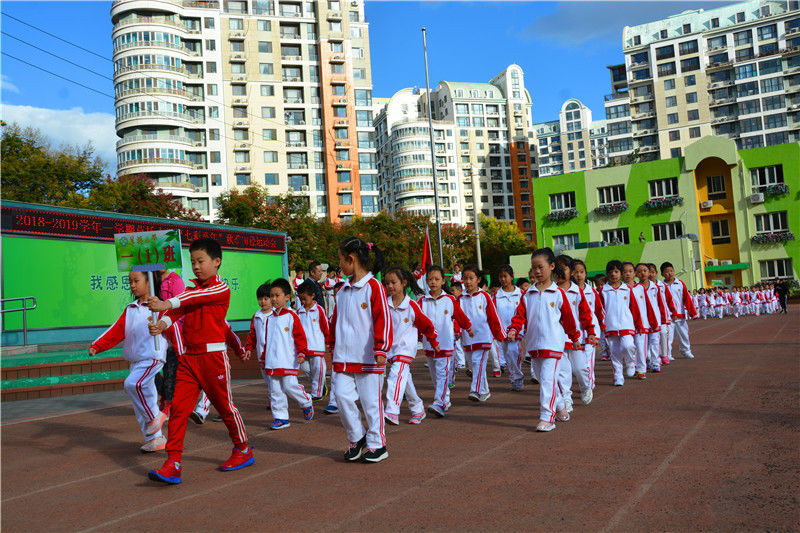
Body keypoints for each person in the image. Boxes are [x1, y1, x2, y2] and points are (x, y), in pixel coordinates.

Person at [146, 238, 252, 484]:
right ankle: (173, 463)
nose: (196, 266)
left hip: (213, 357)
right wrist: (160, 323)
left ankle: (243, 448)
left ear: (217, 262)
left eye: (201, 261)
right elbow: (176, 311)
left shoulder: (220, 289)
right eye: (192, 262)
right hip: (188, 359)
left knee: (225, 406)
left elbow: (186, 301)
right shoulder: (191, 290)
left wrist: (165, 303)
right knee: (179, 410)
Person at [90, 271, 178, 453]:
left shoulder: (159, 308)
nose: (132, 285)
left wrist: (180, 349)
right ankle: (156, 439)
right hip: (136, 362)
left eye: (136, 281)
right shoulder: (130, 309)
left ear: (149, 282)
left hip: (152, 358)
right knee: (144, 401)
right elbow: (116, 330)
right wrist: (97, 346)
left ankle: (157, 417)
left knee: (132, 384)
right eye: (130, 281)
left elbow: (173, 327)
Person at [328, 237, 392, 463]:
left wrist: (381, 349)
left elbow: (382, 318)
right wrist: (332, 342)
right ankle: (357, 436)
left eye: (340, 259)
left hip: (369, 357)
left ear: (350, 259)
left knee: (371, 403)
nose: (339, 265)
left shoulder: (374, 287)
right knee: (341, 396)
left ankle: (377, 444)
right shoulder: (343, 290)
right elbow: (336, 320)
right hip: (344, 358)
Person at [507, 248, 581, 432]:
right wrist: (514, 328)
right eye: (534, 268)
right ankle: (561, 405)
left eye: (540, 267)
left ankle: (547, 417)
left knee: (547, 380)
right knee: (544, 379)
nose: (537, 271)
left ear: (552, 266)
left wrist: (575, 338)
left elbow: (568, 320)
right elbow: (519, 316)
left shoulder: (558, 294)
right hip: (534, 345)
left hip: (553, 344)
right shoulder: (528, 294)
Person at [383, 267, 438, 425]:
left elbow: (427, 325)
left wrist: (434, 341)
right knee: (404, 378)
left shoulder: (412, 306)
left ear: (404, 283)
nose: (390, 286)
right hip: (390, 350)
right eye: (387, 283)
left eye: (394, 282)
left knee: (395, 376)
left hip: (406, 349)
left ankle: (392, 411)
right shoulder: (384, 305)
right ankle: (417, 407)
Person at [418, 265, 472, 417]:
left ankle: (439, 403)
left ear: (443, 281)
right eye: (430, 279)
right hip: (429, 344)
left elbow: (460, 316)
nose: (433, 282)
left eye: (436, 279)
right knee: (435, 375)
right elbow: (418, 321)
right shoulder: (422, 301)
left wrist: (468, 327)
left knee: (442, 374)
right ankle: (445, 399)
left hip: (445, 344)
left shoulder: (449, 299)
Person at [261, 278, 313, 430]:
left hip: (288, 360)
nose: (273, 299)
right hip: (272, 361)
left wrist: (302, 353)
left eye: (277, 295)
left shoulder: (292, 316)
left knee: (290, 386)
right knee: (275, 390)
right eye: (272, 296)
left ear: (287, 297)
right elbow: (267, 340)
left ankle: (306, 401)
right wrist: (264, 357)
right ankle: (281, 418)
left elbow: (300, 337)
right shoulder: (269, 319)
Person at [554, 255, 596, 412]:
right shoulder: (552, 291)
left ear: (571, 271)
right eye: (556, 269)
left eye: (563, 269)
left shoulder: (577, 291)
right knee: (563, 372)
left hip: (576, 338)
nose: (559, 272)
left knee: (579, 368)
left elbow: (585, 313)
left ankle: (586, 387)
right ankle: (566, 399)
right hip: (558, 338)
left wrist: (590, 331)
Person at [459, 264, 505, 402]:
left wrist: (499, 334)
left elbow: (493, 317)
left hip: (483, 336)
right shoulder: (460, 298)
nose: (468, 282)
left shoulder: (485, 296)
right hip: (468, 338)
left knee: (477, 362)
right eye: (465, 278)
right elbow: (457, 317)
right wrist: (456, 331)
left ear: (478, 279)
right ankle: (485, 391)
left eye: (471, 278)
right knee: (474, 365)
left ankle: (476, 389)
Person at [600, 260, 643, 386]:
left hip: (626, 325)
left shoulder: (627, 289)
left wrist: (638, 324)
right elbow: (600, 309)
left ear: (621, 274)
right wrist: (602, 324)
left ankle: (630, 362)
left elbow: (634, 308)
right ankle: (618, 376)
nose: (614, 274)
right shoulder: (603, 291)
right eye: (611, 272)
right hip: (610, 326)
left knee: (628, 345)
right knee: (615, 353)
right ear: (607, 274)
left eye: (616, 272)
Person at [154, 268, 185, 419]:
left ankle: (167, 403)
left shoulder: (175, 280)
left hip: (172, 333)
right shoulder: (151, 279)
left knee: (170, 373)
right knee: (150, 371)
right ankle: (164, 396)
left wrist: (173, 328)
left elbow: (181, 308)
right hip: (155, 335)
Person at [572, 259, 604, 403]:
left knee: (588, 360)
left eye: (582, 272)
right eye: (576, 272)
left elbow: (598, 310)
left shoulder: (592, 291)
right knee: (579, 364)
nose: (579, 275)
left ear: (586, 273)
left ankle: (589, 384)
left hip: (591, 331)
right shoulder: (569, 291)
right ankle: (586, 383)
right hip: (576, 332)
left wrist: (602, 326)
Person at [296, 279, 330, 401]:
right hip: (303, 349)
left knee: (318, 370)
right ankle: (320, 382)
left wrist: (328, 342)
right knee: (306, 369)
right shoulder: (298, 312)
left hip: (317, 346)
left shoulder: (319, 310)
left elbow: (326, 327)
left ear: (313, 296)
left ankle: (317, 393)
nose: (303, 302)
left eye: (305, 299)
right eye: (300, 299)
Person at [494, 265, 525, 391]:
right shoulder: (496, 295)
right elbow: (493, 314)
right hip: (503, 332)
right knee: (508, 356)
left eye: (505, 276)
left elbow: (525, 311)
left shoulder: (520, 294)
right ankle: (514, 378)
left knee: (514, 352)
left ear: (512, 277)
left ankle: (518, 378)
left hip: (516, 331)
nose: (503, 279)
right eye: (501, 277)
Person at [245, 282, 273, 413]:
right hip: (261, 354)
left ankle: (276, 400)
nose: (263, 302)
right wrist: (249, 348)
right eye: (260, 299)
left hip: (274, 354)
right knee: (267, 378)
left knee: (274, 378)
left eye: (266, 298)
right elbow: (252, 334)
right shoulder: (256, 316)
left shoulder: (276, 315)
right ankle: (274, 398)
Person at [660, 262, 698, 359]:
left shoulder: (680, 284)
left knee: (684, 335)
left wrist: (692, 313)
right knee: (668, 337)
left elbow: (687, 299)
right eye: (667, 272)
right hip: (668, 316)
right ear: (662, 274)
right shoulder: (661, 286)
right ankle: (668, 354)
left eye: (671, 271)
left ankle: (686, 350)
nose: (670, 273)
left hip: (680, 315)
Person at [635, 263, 663, 375]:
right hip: (642, 320)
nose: (643, 273)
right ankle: (646, 360)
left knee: (655, 341)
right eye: (640, 271)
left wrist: (663, 317)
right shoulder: (635, 288)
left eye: (645, 270)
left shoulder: (655, 287)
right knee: (642, 343)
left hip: (655, 318)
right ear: (636, 274)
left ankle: (656, 362)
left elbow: (661, 303)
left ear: (649, 272)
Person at [449, 280, 468, 378]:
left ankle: (461, 362)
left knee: (460, 346)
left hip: (463, 327)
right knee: (457, 346)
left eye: (453, 291)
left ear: (460, 290)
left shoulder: (463, 300)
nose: (451, 293)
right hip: (457, 328)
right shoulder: (453, 301)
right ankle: (459, 362)